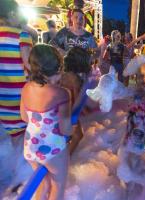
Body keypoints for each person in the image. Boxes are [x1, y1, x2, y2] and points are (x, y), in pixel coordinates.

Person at [20, 44, 72, 200]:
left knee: (43, 183)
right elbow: (65, 129)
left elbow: (25, 117)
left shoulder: (26, 88)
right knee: (58, 185)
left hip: (30, 147)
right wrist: (72, 129)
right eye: (59, 72)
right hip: (52, 149)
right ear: (55, 70)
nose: (61, 76)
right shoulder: (62, 93)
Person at [118, 56, 145, 200]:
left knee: (144, 172)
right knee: (128, 171)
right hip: (130, 138)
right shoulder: (132, 93)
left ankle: (144, 194)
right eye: (142, 75)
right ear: (136, 77)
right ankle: (127, 193)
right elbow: (122, 102)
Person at [0, 0, 32, 146]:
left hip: (1, 94)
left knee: (8, 134)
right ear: (12, 13)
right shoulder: (21, 35)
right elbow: (30, 64)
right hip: (17, 95)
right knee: (20, 136)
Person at [60, 47, 92, 154]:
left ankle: (62, 153)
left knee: (65, 136)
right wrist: (87, 111)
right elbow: (77, 102)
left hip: (58, 110)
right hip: (67, 112)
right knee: (78, 136)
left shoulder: (62, 74)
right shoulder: (75, 79)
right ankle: (66, 158)